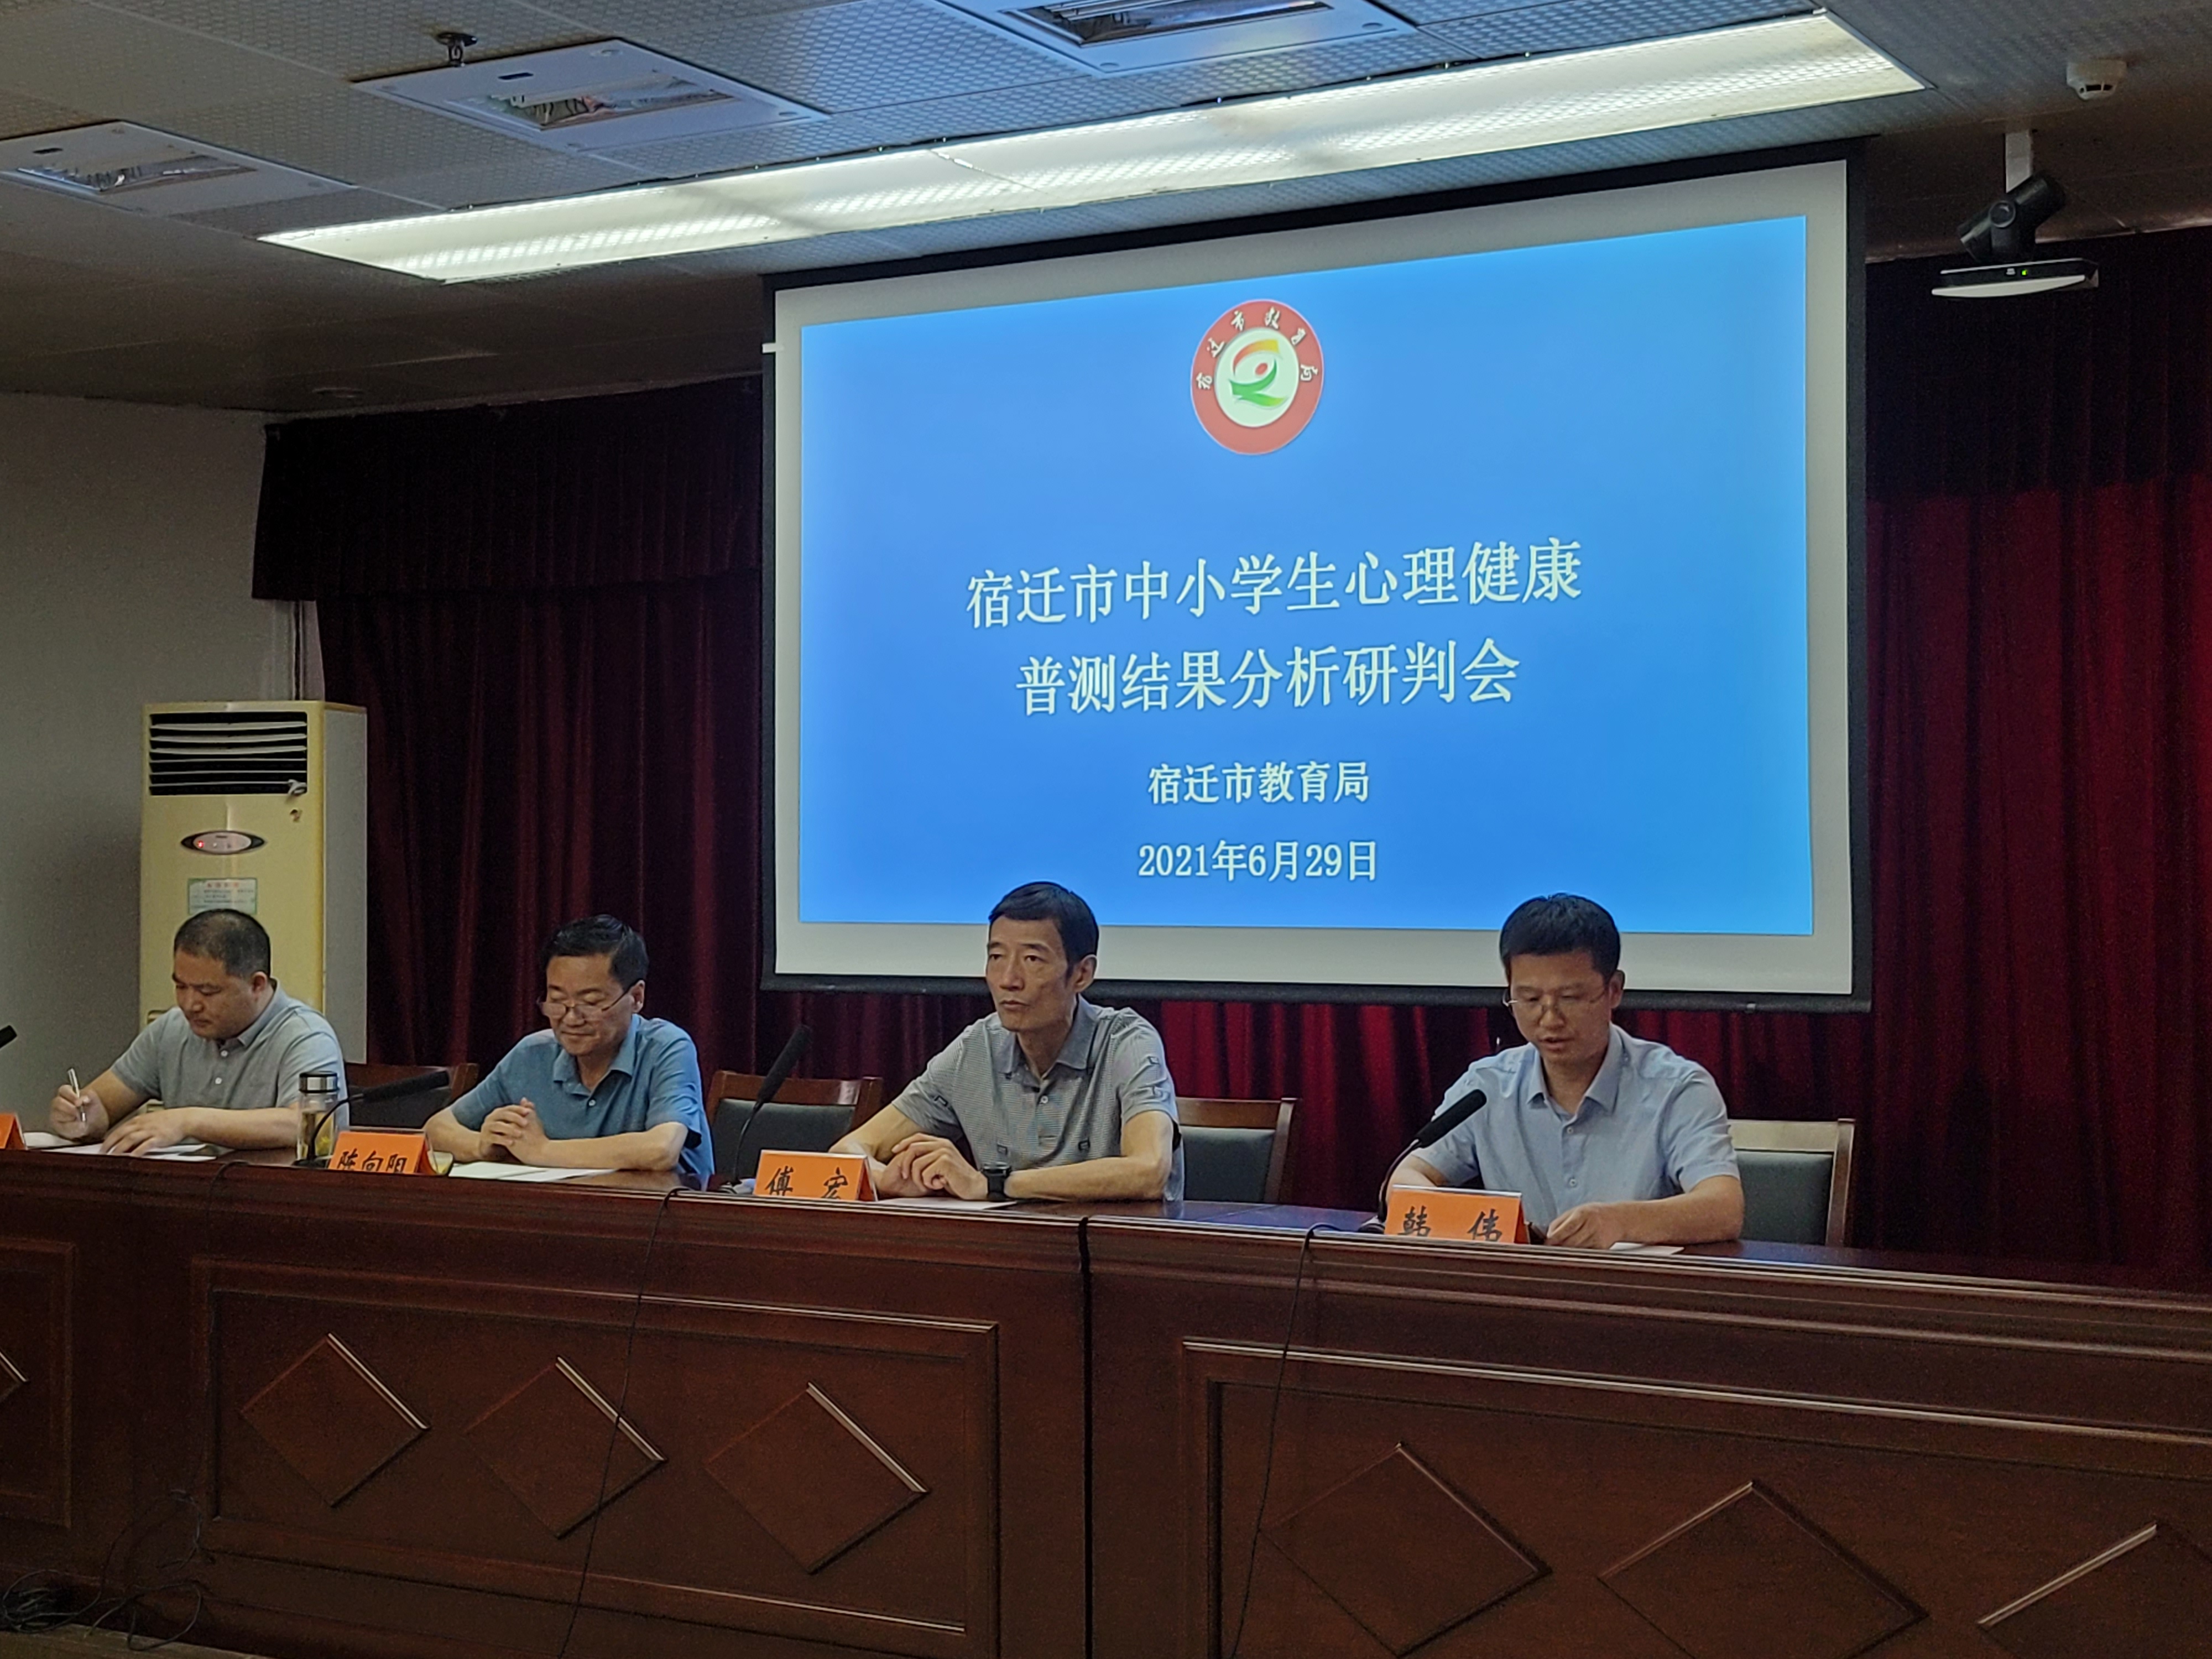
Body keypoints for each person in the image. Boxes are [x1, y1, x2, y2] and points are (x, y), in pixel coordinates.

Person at [1388, 894, 1743, 1247]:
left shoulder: (1677, 1088)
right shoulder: (1486, 1088)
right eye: (1529, 999)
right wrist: (1492, 1223)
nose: (1550, 1019)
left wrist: (1619, 1222)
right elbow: (1407, 1178)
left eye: (1570, 998)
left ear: (1614, 990)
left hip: (1630, 1281)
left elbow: (1724, 1208)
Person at [833, 881, 1181, 1202]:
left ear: (1082, 974)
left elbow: (1149, 1170)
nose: (1008, 980)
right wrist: (891, 1179)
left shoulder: (1126, 1042)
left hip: (1114, 1244)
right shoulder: (976, 1050)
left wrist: (994, 1184)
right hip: (1009, 1246)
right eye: (996, 957)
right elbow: (847, 1152)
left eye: (1032, 960)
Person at [426, 915, 710, 1181]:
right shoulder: (532, 1054)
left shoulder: (666, 1047)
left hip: (657, 1212)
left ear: (636, 998)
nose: (571, 1019)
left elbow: (661, 1149)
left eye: (591, 1002)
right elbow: (435, 1130)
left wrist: (542, 1150)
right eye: (557, 1001)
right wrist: (482, 1145)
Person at [50, 909, 347, 1156]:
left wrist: (189, 1120)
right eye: (181, 986)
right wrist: (83, 1118)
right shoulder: (172, 1029)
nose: (190, 1004)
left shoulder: (305, 1035)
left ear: (257, 985)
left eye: (208, 991)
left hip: (268, 1198)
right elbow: (103, 1104)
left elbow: (308, 1123)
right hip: (182, 1194)